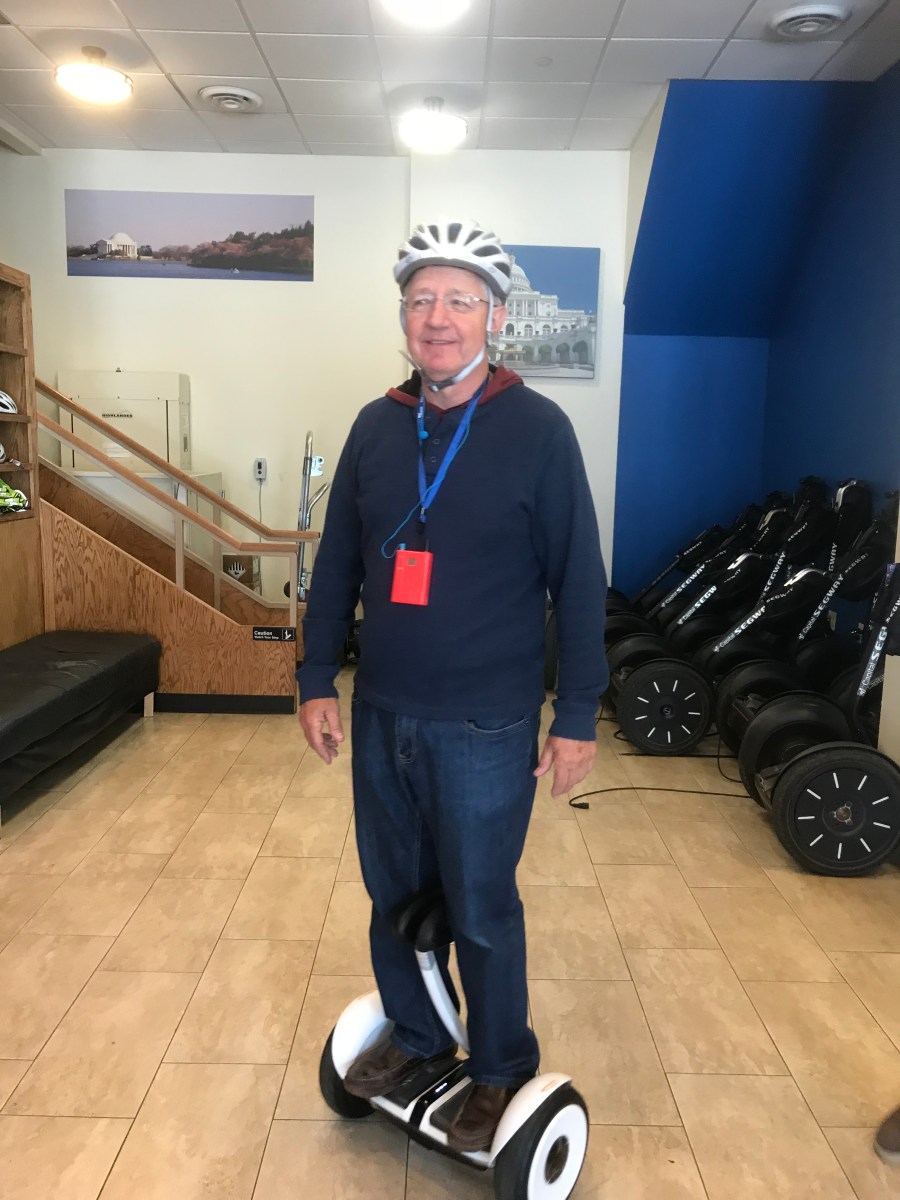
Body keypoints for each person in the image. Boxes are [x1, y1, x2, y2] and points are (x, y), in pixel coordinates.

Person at [297, 219, 607, 1152]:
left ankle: (501, 1065)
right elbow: (338, 561)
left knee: (480, 905)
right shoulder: (376, 425)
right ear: (404, 317)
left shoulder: (539, 431)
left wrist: (577, 713)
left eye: (460, 301)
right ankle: (419, 1035)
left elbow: (578, 581)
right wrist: (316, 677)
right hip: (383, 709)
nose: (438, 318)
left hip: (484, 722)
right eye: (422, 300)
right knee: (392, 892)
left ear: (494, 318)